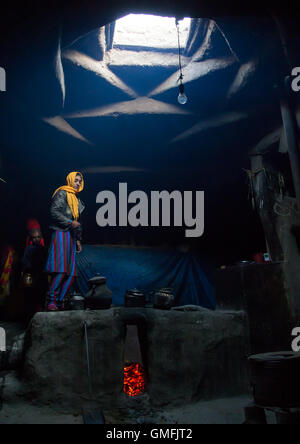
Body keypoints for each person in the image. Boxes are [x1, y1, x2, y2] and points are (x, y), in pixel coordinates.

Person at [45, 172, 85, 311]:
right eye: (76, 180)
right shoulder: (62, 193)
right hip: (61, 233)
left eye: (80, 181)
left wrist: (78, 239)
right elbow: (54, 212)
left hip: (72, 236)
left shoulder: (77, 199)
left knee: (72, 272)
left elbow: (78, 221)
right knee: (61, 269)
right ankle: (51, 300)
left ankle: (61, 301)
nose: (78, 183)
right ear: (70, 180)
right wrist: (69, 222)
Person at [21, 223, 48, 322]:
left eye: (38, 237)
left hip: (41, 277)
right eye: (34, 237)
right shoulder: (29, 249)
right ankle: (29, 320)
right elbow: (25, 262)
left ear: (41, 237)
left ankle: (40, 319)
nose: (36, 239)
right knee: (31, 298)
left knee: (41, 298)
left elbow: (46, 262)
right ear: (31, 238)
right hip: (32, 277)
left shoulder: (43, 249)